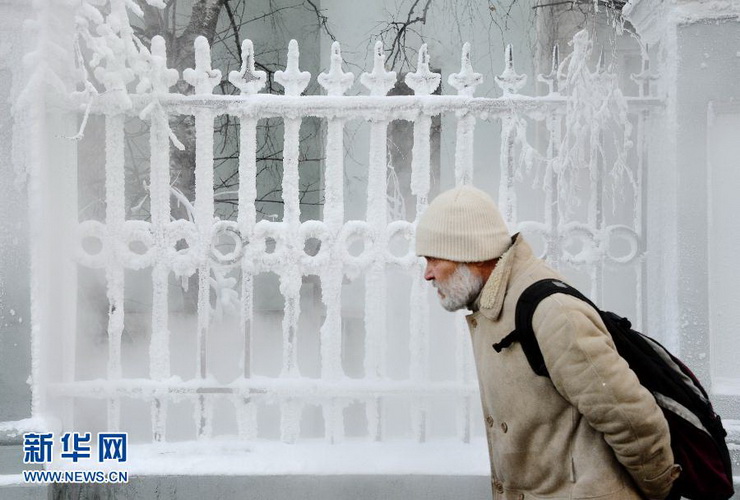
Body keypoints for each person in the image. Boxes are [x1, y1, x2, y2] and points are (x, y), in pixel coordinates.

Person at [415, 185, 681, 500]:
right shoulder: (492, 306)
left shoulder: (552, 313)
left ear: (468, 253)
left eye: (433, 259)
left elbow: (632, 418)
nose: (428, 275)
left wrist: (660, 490)